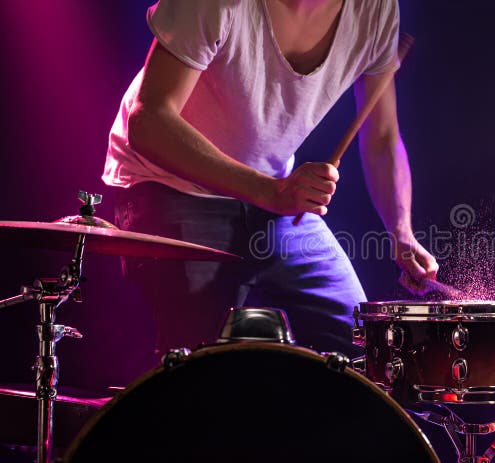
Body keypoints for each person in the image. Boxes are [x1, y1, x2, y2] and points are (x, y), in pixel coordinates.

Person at [103, 0, 438, 362]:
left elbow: (383, 139)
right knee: (202, 371)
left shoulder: (375, 7)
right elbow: (148, 122)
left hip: (272, 198)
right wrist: (271, 191)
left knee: (363, 350)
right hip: (172, 185)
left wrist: (401, 231)